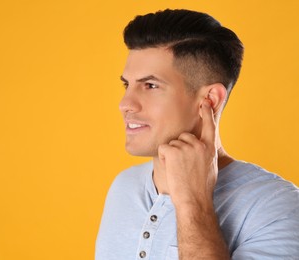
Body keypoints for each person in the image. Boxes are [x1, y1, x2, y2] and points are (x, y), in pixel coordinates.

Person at [95, 9, 299, 260]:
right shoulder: (124, 187)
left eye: (150, 85)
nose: (125, 103)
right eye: (128, 85)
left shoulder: (275, 207)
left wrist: (193, 203)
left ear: (209, 100)